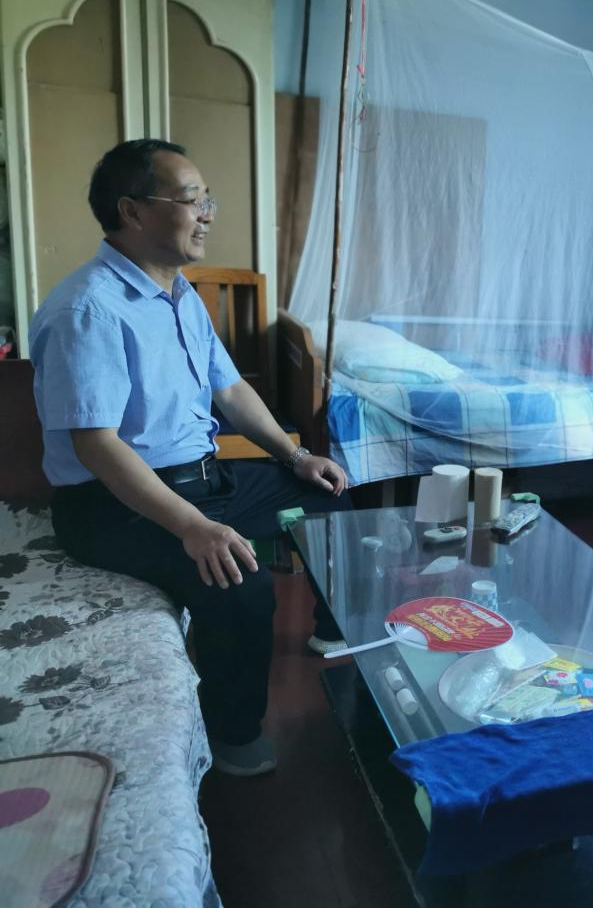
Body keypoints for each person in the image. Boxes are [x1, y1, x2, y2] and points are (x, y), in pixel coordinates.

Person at [29, 139, 352, 777]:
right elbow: (97, 446)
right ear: (132, 211)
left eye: (208, 199)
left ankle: (331, 629)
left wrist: (294, 456)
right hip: (112, 506)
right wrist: (193, 527)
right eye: (191, 199)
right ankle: (234, 738)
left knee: (328, 493)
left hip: (204, 480)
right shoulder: (87, 309)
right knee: (241, 582)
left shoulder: (179, 294)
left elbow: (230, 391)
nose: (207, 213)